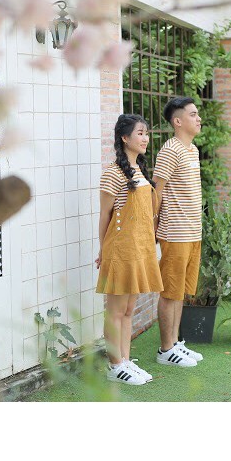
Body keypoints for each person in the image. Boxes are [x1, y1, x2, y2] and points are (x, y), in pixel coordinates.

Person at [95, 114, 164, 385]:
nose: (145, 138)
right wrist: (103, 251)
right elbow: (104, 215)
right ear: (125, 138)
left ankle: (124, 360)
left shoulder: (139, 171)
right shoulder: (113, 173)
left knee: (128, 309)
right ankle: (114, 366)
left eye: (146, 133)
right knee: (115, 310)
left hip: (139, 249)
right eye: (140, 133)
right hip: (120, 250)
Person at [153, 97, 204, 367]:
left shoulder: (192, 150)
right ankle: (165, 350)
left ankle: (174, 344)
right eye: (193, 114)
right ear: (177, 121)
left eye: (197, 114)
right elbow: (156, 191)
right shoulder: (170, 150)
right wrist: (152, 226)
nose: (198, 118)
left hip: (193, 232)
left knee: (181, 292)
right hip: (175, 232)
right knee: (170, 292)